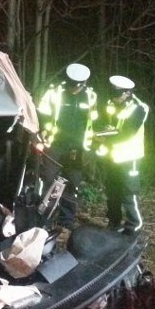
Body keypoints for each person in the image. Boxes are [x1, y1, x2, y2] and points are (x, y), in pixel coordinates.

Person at [36, 63, 98, 228]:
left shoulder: (91, 96)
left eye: (77, 86)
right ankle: (45, 219)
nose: (74, 89)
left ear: (84, 83)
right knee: (49, 180)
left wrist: (92, 145)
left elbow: (95, 120)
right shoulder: (55, 92)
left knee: (72, 182)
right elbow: (42, 112)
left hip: (78, 147)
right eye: (71, 85)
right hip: (55, 144)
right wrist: (42, 129)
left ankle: (67, 219)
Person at [96, 75, 149, 234]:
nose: (114, 98)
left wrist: (104, 139)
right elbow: (106, 123)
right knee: (112, 191)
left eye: (118, 94)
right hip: (112, 156)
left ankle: (134, 224)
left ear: (127, 93)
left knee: (129, 192)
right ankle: (114, 222)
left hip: (129, 157)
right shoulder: (112, 104)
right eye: (112, 94)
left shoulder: (139, 108)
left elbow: (127, 133)